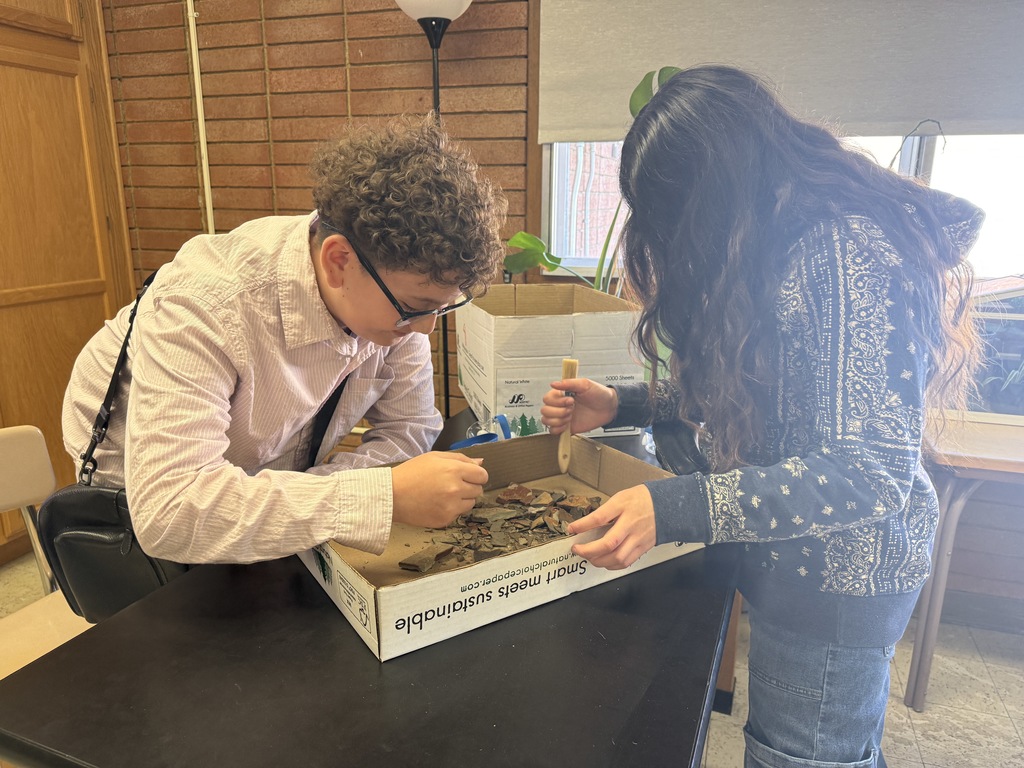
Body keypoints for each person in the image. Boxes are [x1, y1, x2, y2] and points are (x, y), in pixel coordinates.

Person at [541, 65, 983, 768]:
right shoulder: (787, 245)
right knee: (816, 747)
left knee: (803, 755)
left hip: (839, 581)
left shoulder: (846, 253)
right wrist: (623, 402)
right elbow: (772, 401)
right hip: (796, 568)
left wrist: (675, 506)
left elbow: (869, 474)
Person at [63, 116, 505, 565]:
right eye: (417, 307)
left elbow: (408, 428)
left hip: (260, 479)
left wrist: (336, 493)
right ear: (338, 262)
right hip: (136, 498)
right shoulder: (208, 304)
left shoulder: (394, 295)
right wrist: (376, 496)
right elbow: (171, 512)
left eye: (442, 308)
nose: (426, 329)